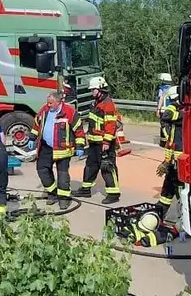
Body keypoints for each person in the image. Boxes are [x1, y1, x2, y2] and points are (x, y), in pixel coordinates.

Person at [75, 76, 124, 204]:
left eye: (94, 90)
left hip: (104, 143)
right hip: (94, 142)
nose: (92, 92)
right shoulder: (97, 103)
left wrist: (107, 142)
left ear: (101, 89)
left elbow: (110, 125)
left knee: (107, 167)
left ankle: (113, 194)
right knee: (91, 166)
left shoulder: (107, 104)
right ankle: (86, 189)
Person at [34, 90, 79, 211]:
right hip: (46, 147)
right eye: (48, 103)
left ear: (59, 102)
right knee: (42, 169)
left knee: (62, 174)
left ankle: (64, 199)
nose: (48, 105)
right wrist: (33, 137)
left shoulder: (69, 112)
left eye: (51, 103)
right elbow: (37, 123)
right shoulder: (44, 110)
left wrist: (80, 146)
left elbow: (78, 130)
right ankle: (52, 193)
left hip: (63, 149)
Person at [156, 91, 185, 219]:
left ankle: (183, 215)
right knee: (169, 187)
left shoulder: (181, 115)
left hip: (179, 159)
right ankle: (159, 213)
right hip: (175, 159)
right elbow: (167, 115)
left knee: (178, 187)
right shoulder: (177, 114)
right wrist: (166, 162)